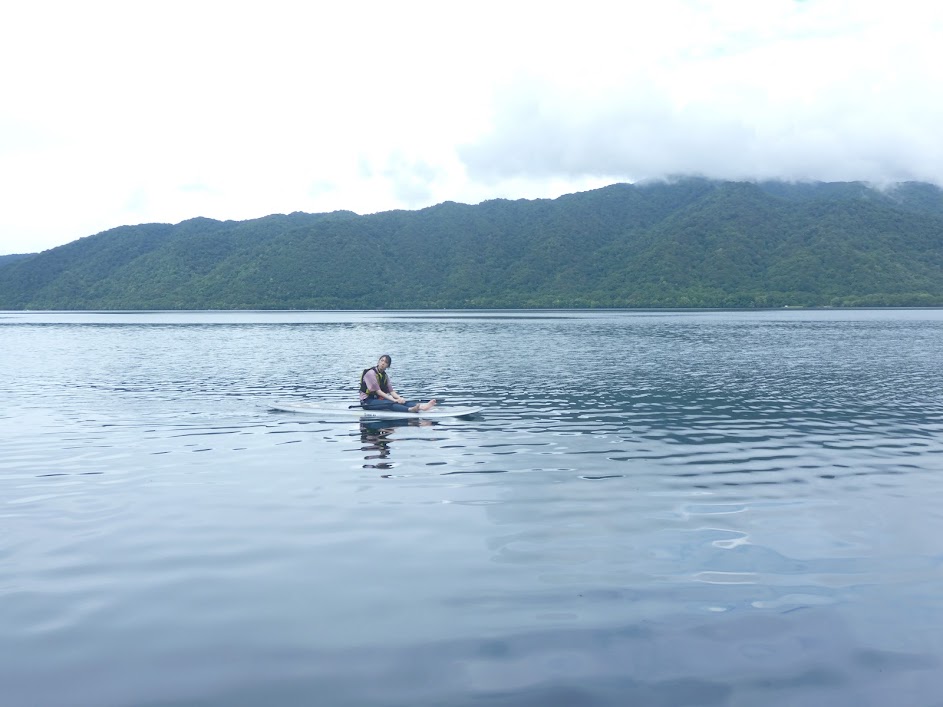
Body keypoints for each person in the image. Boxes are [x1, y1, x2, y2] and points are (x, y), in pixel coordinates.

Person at [359, 355, 437, 413]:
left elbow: (391, 391)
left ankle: (422, 407)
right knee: (390, 403)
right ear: (378, 361)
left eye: (385, 362)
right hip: (367, 401)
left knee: (400, 401)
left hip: (377, 399)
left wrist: (399, 399)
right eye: (382, 360)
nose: (383, 363)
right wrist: (394, 400)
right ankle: (410, 410)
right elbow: (378, 392)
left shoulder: (385, 376)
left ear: (388, 366)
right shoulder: (371, 373)